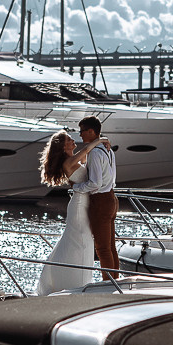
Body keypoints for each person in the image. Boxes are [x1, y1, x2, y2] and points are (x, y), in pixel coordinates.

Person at [35, 129, 107, 294]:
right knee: (80, 243)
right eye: (69, 139)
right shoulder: (68, 162)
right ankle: (75, 284)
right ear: (63, 146)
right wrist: (101, 139)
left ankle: (75, 280)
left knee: (81, 242)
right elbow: (87, 150)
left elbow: (88, 158)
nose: (73, 140)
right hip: (79, 206)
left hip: (84, 203)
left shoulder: (73, 159)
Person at [75, 116, 119, 281]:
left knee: (102, 248)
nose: (80, 135)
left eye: (82, 131)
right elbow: (111, 178)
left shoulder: (94, 153)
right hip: (112, 198)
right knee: (111, 247)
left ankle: (109, 283)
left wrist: (76, 188)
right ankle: (115, 280)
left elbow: (94, 183)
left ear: (91, 131)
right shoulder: (108, 149)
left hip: (101, 201)